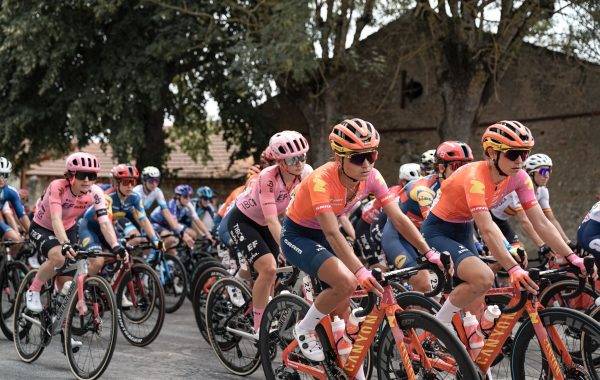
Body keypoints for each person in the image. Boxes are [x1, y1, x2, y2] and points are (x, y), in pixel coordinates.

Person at [281, 118, 444, 363]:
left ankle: (342, 358)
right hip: (298, 235)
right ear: (340, 157)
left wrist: (429, 252)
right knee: (346, 282)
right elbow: (333, 233)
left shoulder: (372, 177)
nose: (366, 164)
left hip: (324, 235)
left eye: (372, 155)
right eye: (358, 158)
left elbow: (398, 219)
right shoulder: (320, 180)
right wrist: (359, 271)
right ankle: (304, 327)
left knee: (345, 313)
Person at [421, 121, 591, 330]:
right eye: (513, 154)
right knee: (483, 277)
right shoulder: (475, 177)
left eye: (525, 154)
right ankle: (439, 326)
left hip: (464, 228)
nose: (520, 161)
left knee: (477, 314)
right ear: (492, 153)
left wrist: (572, 257)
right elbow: (486, 228)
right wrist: (513, 268)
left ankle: (473, 355)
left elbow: (540, 222)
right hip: (438, 230)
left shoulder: (520, 177)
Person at [228, 131, 311, 336]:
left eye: (302, 156)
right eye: (293, 158)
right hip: (243, 220)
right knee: (268, 268)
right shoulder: (268, 177)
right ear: (281, 162)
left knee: (274, 273)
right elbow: (273, 219)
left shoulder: (306, 173)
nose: (299, 162)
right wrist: (288, 247)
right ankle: (258, 327)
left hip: (265, 223)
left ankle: (267, 311)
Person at [26, 153, 127, 314]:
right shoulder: (57, 186)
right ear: (71, 175)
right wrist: (64, 244)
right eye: (82, 175)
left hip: (68, 228)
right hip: (42, 227)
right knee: (58, 256)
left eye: (92, 175)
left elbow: (105, 222)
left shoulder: (95, 192)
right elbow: (55, 218)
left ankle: (63, 331)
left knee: (67, 286)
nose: (87, 180)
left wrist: (116, 246)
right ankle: (33, 290)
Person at [382, 141, 473, 291]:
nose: (463, 171)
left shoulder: (462, 188)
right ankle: (416, 314)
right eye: (457, 166)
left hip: (422, 233)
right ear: (441, 168)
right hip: (400, 237)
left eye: (466, 167)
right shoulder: (424, 190)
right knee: (423, 282)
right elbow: (432, 226)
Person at [81, 163, 162, 275]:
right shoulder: (107, 197)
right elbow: (106, 223)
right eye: (125, 182)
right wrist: (116, 245)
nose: (129, 186)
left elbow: (143, 219)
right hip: (90, 228)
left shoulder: (135, 197)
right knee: (98, 262)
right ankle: (83, 287)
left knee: (125, 255)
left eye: (132, 182)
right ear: (116, 183)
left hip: (107, 228)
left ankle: (106, 281)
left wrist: (155, 239)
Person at [132, 166, 194, 248]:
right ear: (144, 181)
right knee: (140, 240)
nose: (154, 184)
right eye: (151, 181)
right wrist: (145, 228)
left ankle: (153, 258)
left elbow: (166, 211)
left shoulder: (157, 191)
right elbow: (134, 213)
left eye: (157, 181)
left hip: (142, 217)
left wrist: (177, 230)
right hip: (131, 216)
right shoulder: (137, 191)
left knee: (169, 238)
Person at [524, 153, 574, 248]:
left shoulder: (542, 191)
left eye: (549, 171)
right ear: (531, 173)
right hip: (492, 219)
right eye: (543, 171)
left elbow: (551, 219)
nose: (546, 175)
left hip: (503, 222)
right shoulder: (519, 191)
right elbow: (525, 221)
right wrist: (542, 245)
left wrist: (568, 242)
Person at [0, 157, 30, 244]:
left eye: (4, 175)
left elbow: (22, 215)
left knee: (17, 240)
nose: (1, 179)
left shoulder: (10, 191)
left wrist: (33, 235)